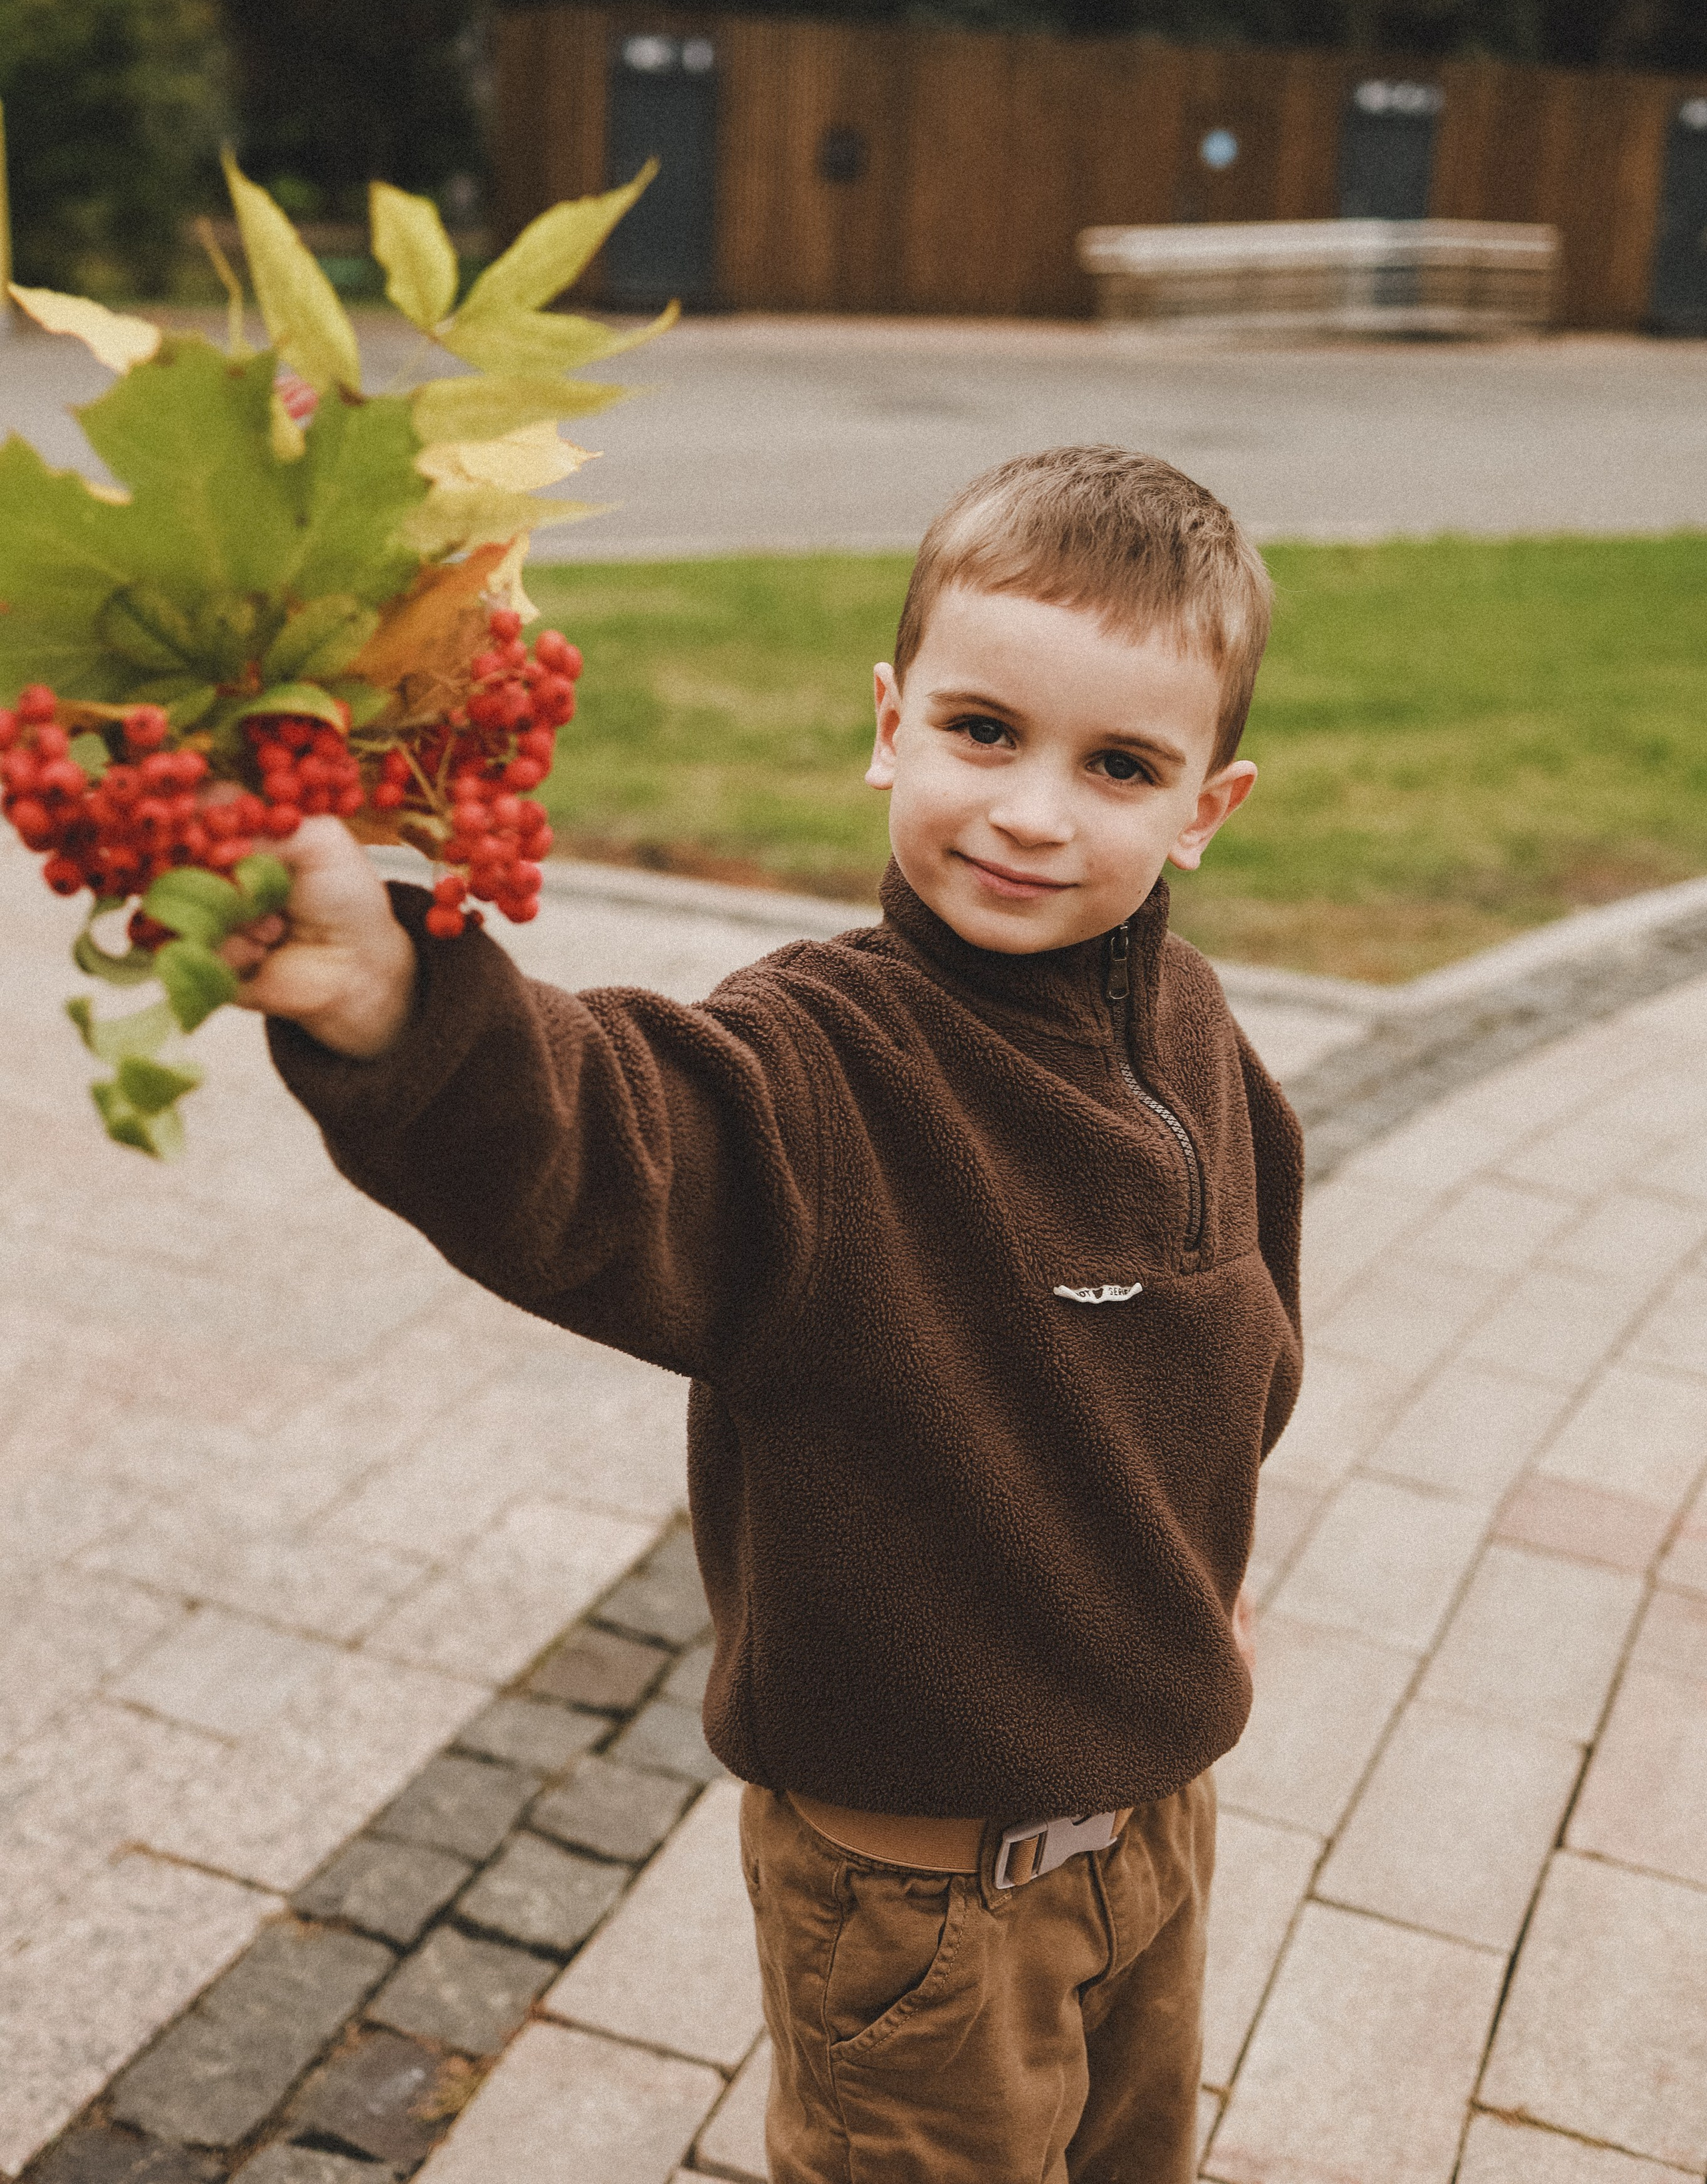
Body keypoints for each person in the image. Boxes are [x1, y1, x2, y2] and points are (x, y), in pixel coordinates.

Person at [229, 443, 1303, 2184]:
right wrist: (404, 1010)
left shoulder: (1189, 1025)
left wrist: (1214, 1578)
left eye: (1118, 765)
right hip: (921, 1901)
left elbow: (1238, 1328)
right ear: (890, 721)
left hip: (1160, 1816)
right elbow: (602, 1137)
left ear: (1207, 806)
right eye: (982, 732)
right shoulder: (821, 1068)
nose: (1035, 810)